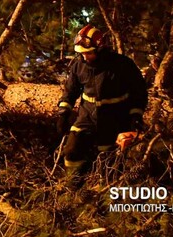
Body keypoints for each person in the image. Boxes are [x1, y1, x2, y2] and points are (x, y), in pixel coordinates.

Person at [56, 25, 148, 182]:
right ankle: (71, 184)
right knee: (71, 150)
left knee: (107, 156)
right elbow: (70, 91)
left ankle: (103, 188)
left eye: (88, 53)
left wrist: (136, 115)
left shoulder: (122, 65)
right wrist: (64, 112)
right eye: (81, 53)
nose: (85, 57)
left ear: (100, 49)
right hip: (87, 116)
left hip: (115, 117)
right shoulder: (79, 66)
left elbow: (139, 92)